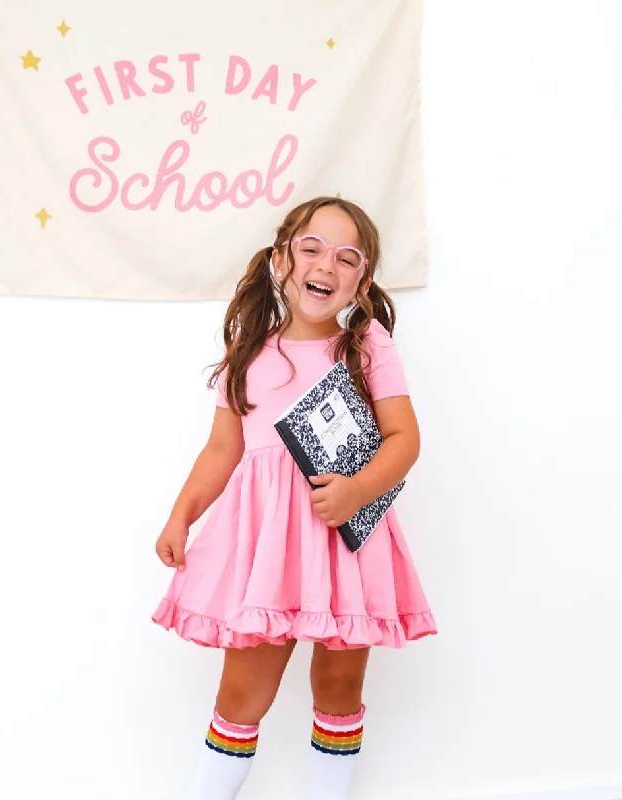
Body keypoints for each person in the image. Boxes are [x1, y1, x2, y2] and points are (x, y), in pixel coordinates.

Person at [152, 196, 437, 799]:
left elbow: (405, 439)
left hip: (344, 543)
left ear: (362, 281)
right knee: (240, 693)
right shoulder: (249, 351)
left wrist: (357, 490)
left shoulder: (365, 346)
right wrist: (181, 515)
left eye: (347, 257)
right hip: (266, 549)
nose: (326, 265)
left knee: (338, 686)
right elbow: (221, 450)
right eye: (311, 248)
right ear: (282, 258)